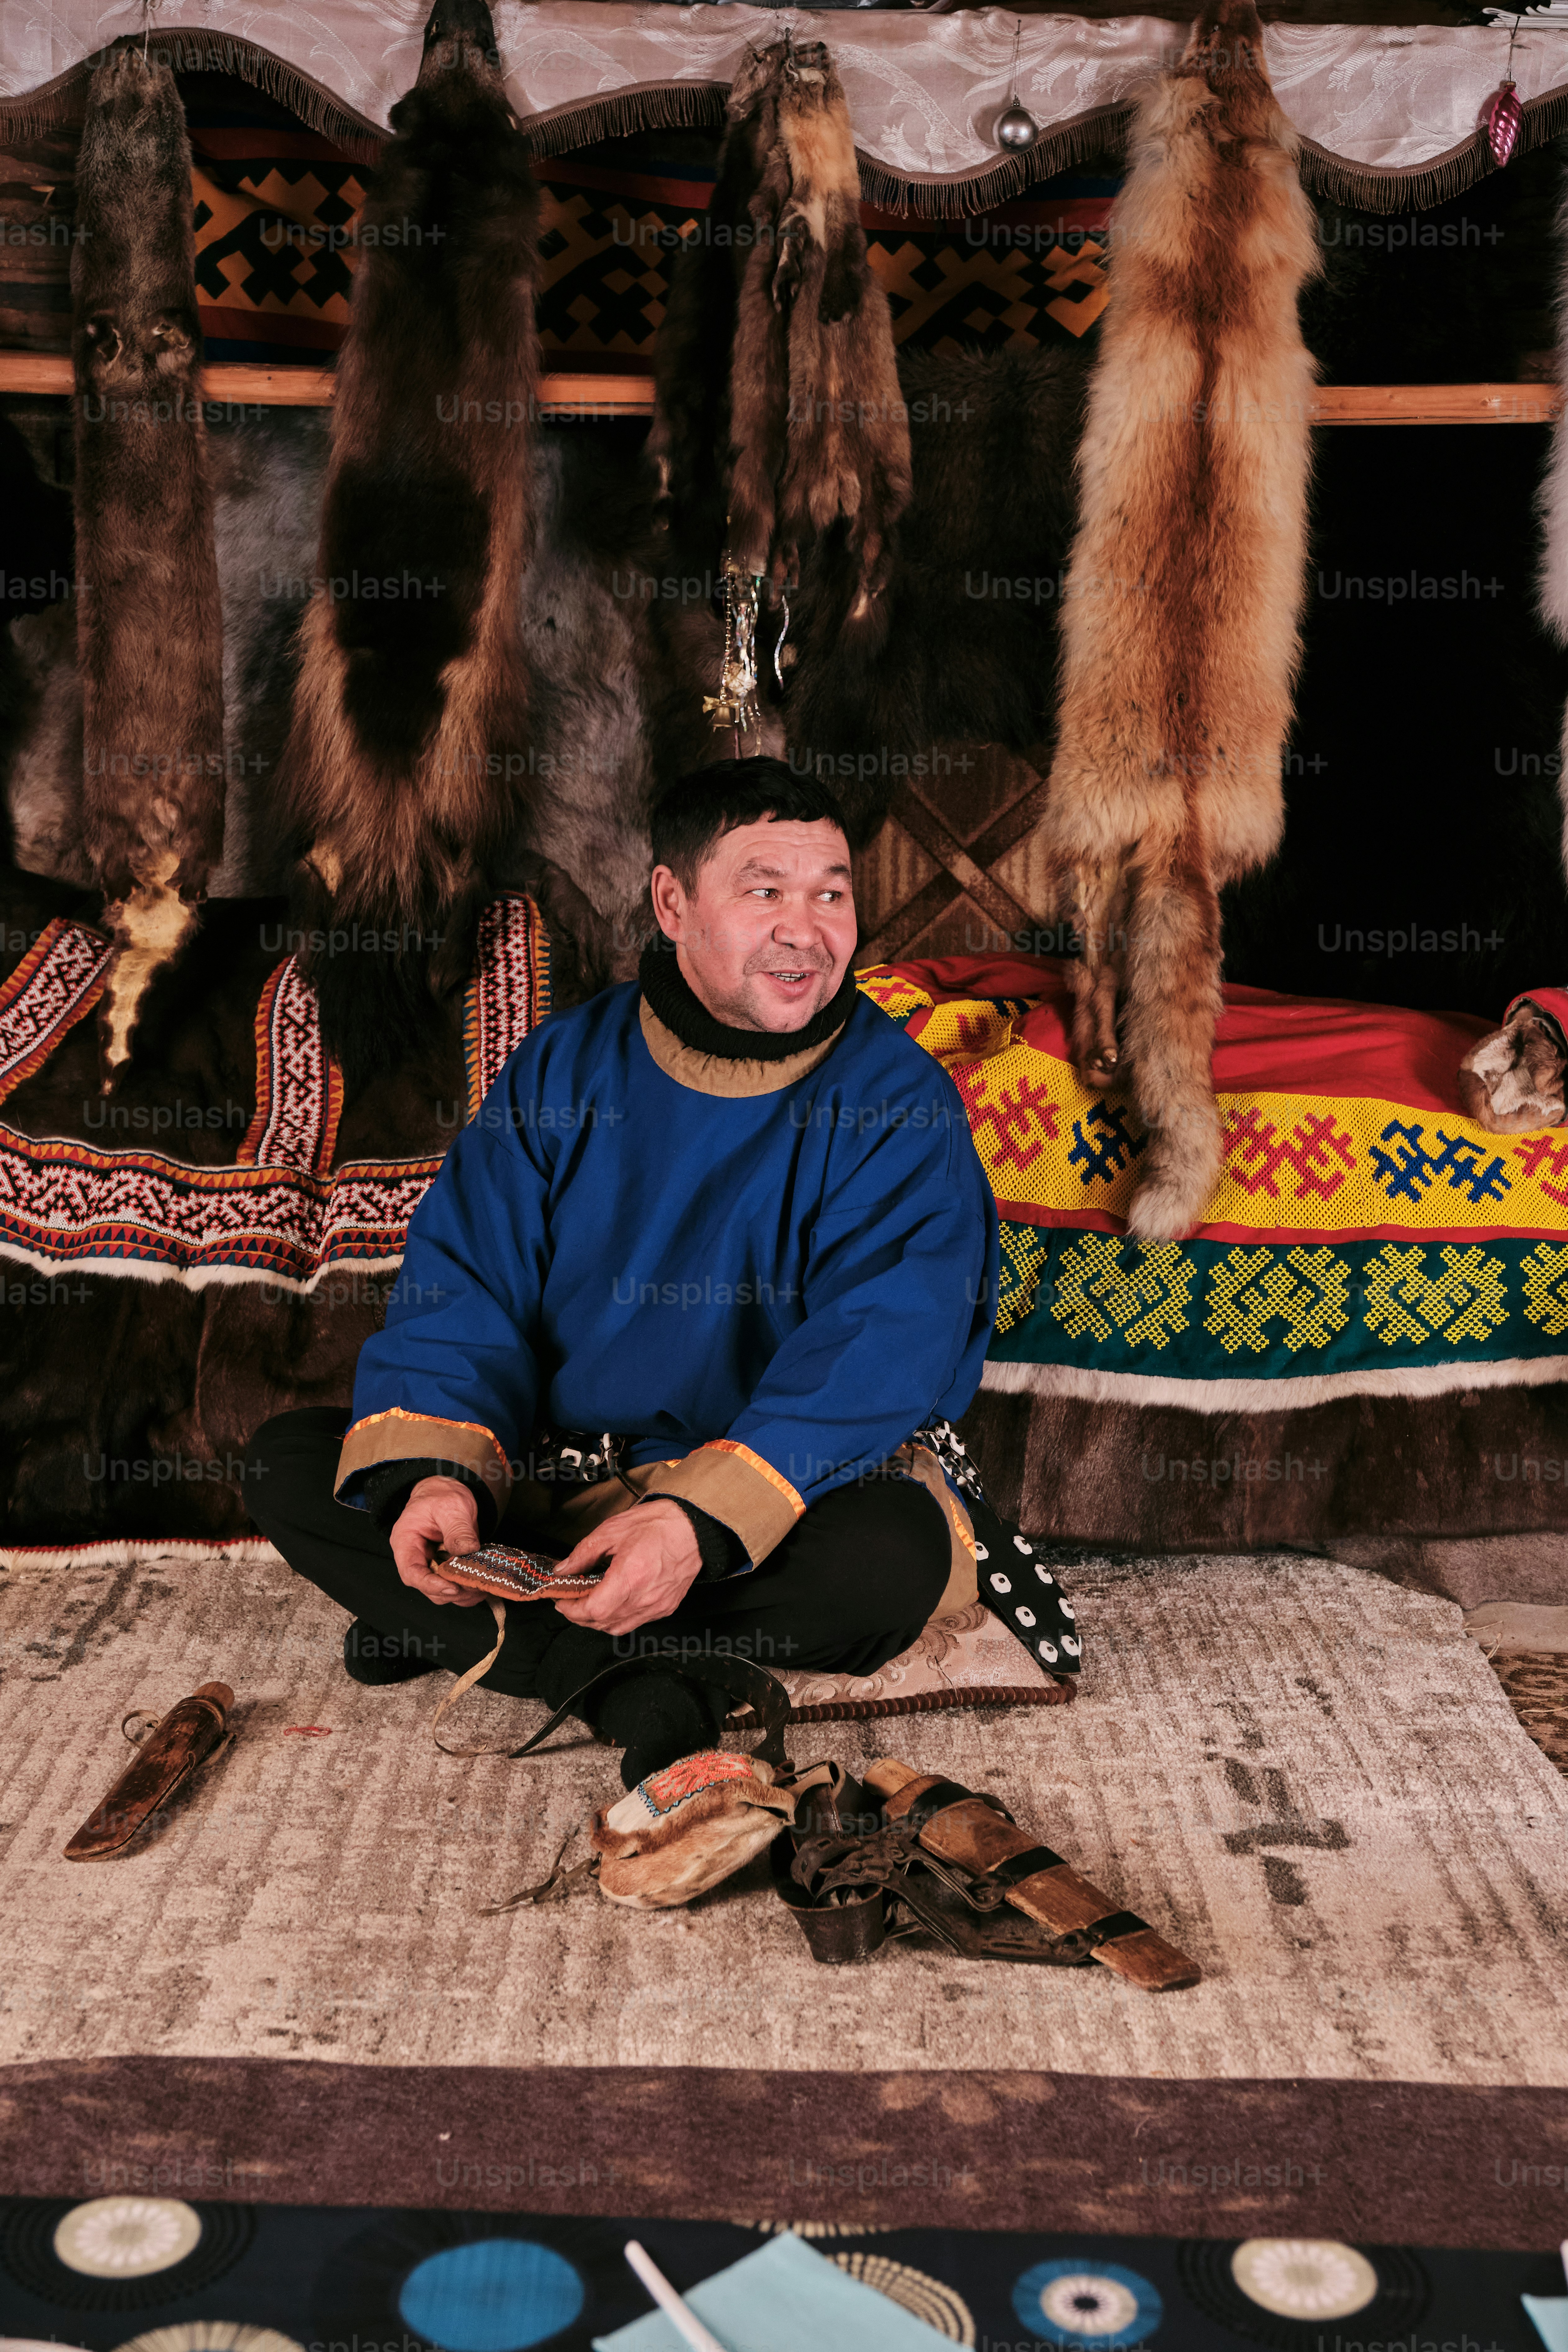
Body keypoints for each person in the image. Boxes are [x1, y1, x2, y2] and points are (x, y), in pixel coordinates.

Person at [246, 759, 1009, 1786]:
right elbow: (468, 1278)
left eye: (832, 893)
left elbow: (888, 1341)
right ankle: (630, 1678)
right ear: (672, 903)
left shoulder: (900, 1102)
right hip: (554, 1478)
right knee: (292, 1465)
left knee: (892, 1560)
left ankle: (480, 1634)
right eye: (765, 891)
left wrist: (698, 1517)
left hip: (763, 1503)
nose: (807, 928)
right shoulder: (567, 1067)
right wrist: (441, 1474)